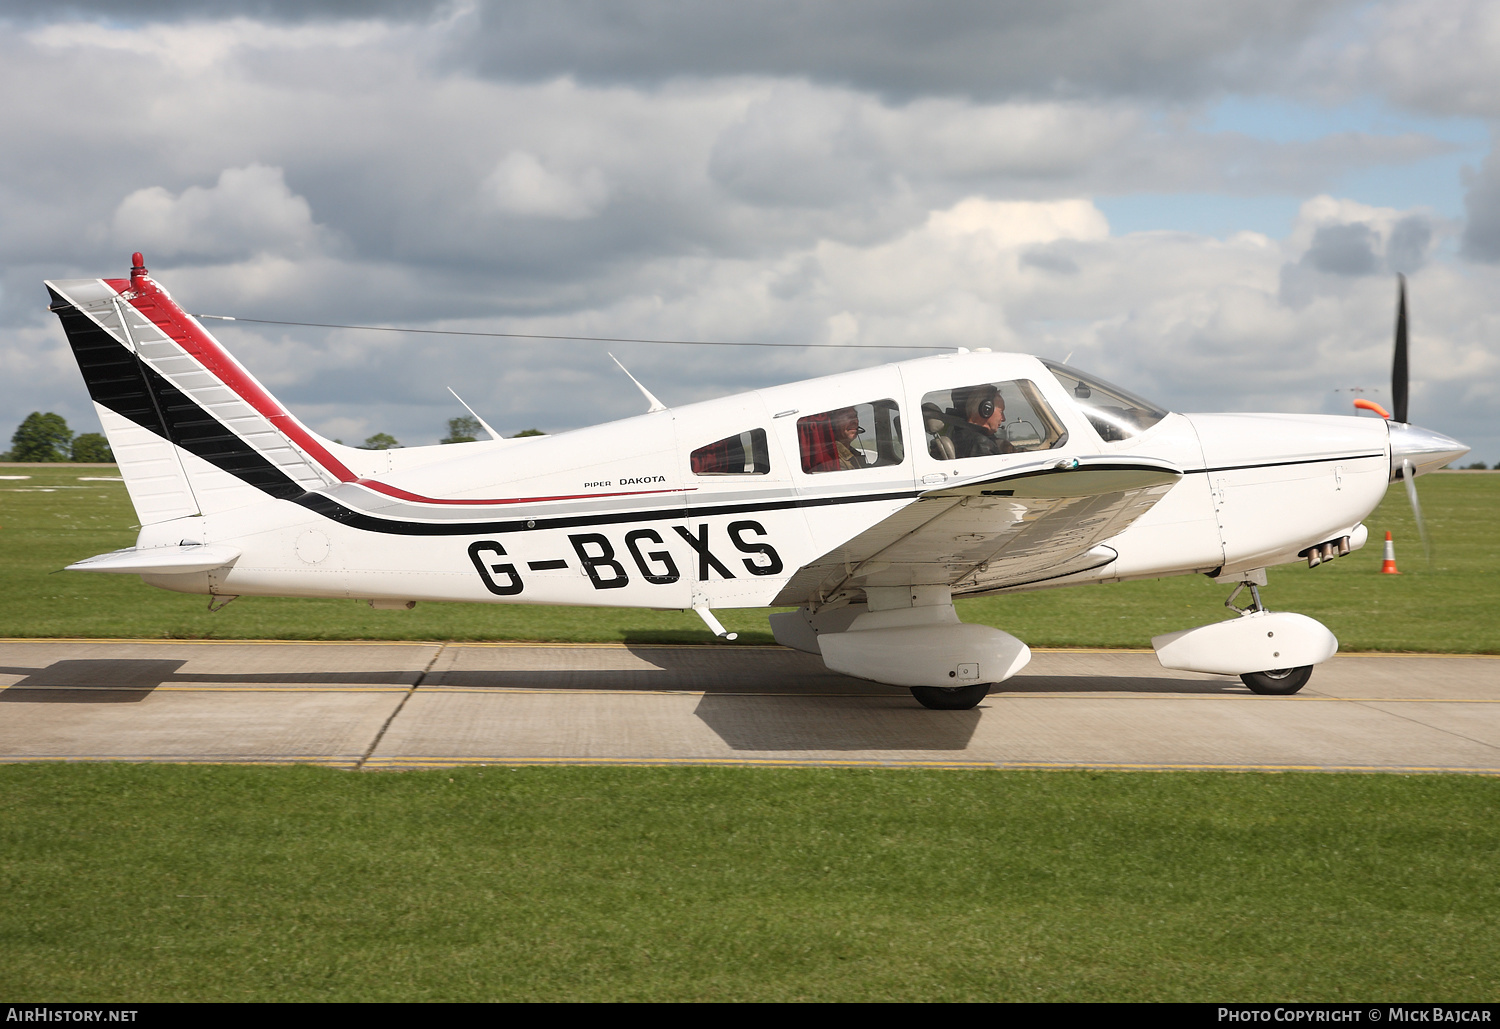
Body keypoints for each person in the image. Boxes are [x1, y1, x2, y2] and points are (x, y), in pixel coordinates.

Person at [949, 384, 1016, 459]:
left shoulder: (964, 436)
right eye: (1001, 412)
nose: (1003, 418)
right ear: (986, 410)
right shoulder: (980, 444)